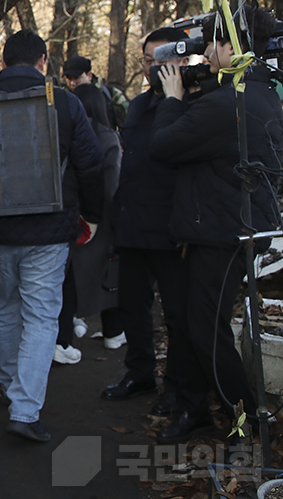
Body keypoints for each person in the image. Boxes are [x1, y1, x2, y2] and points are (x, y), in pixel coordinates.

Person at [0, 29, 105, 442]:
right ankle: (25, 409)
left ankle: (11, 384)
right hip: (50, 232)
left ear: (3, 63)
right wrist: (94, 214)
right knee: (41, 315)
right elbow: (91, 164)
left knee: (7, 306)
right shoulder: (64, 103)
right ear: (42, 62)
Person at [150, 6, 283, 444]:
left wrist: (172, 99)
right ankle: (197, 409)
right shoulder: (260, 91)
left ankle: (244, 417)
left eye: (213, 43)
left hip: (226, 232)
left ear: (230, 46)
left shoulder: (230, 102)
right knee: (195, 320)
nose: (206, 53)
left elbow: (165, 145)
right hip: (227, 225)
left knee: (206, 328)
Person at [101, 27, 191, 418]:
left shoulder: (191, 105)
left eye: (163, 59)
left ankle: (178, 388)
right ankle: (139, 372)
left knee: (177, 316)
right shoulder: (136, 106)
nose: (155, 68)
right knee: (131, 306)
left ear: (182, 60)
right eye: (149, 60)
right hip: (133, 225)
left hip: (173, 231)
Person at [54, 83, 124, 365]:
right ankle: (113, 333)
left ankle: (66, 336)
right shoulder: (108, 137)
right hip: (101, 219)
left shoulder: (61, 127)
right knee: (108, 279)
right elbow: (112, 183)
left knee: (68, 281)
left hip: (70, 216)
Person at [62, 55, 130, 128]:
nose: (72, 83)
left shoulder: (111, 94)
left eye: (76, 78)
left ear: (89, 76)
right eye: (69, 79)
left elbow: (128, 125)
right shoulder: (63, 98)